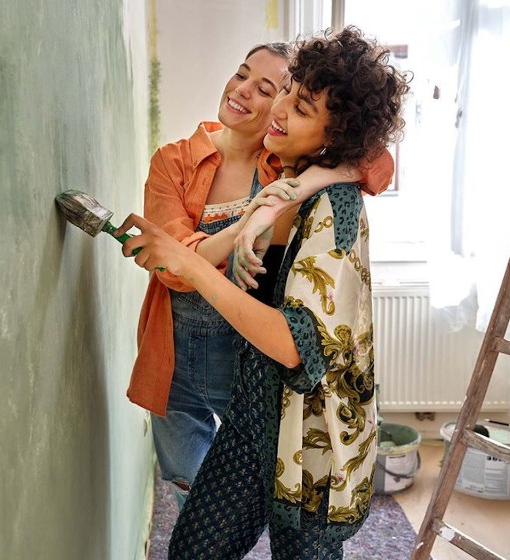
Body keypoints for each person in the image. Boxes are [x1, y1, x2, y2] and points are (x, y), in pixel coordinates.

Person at [119, 27, 410, 558]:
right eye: (285, 90)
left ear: (332, 136)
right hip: (251, 406)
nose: (272, 105)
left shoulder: (319, 197)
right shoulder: (277, 174)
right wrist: (269, 207)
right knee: (192, 540)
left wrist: (193, 255)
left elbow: (294, 343)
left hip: (308, 436)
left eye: (293, 102)